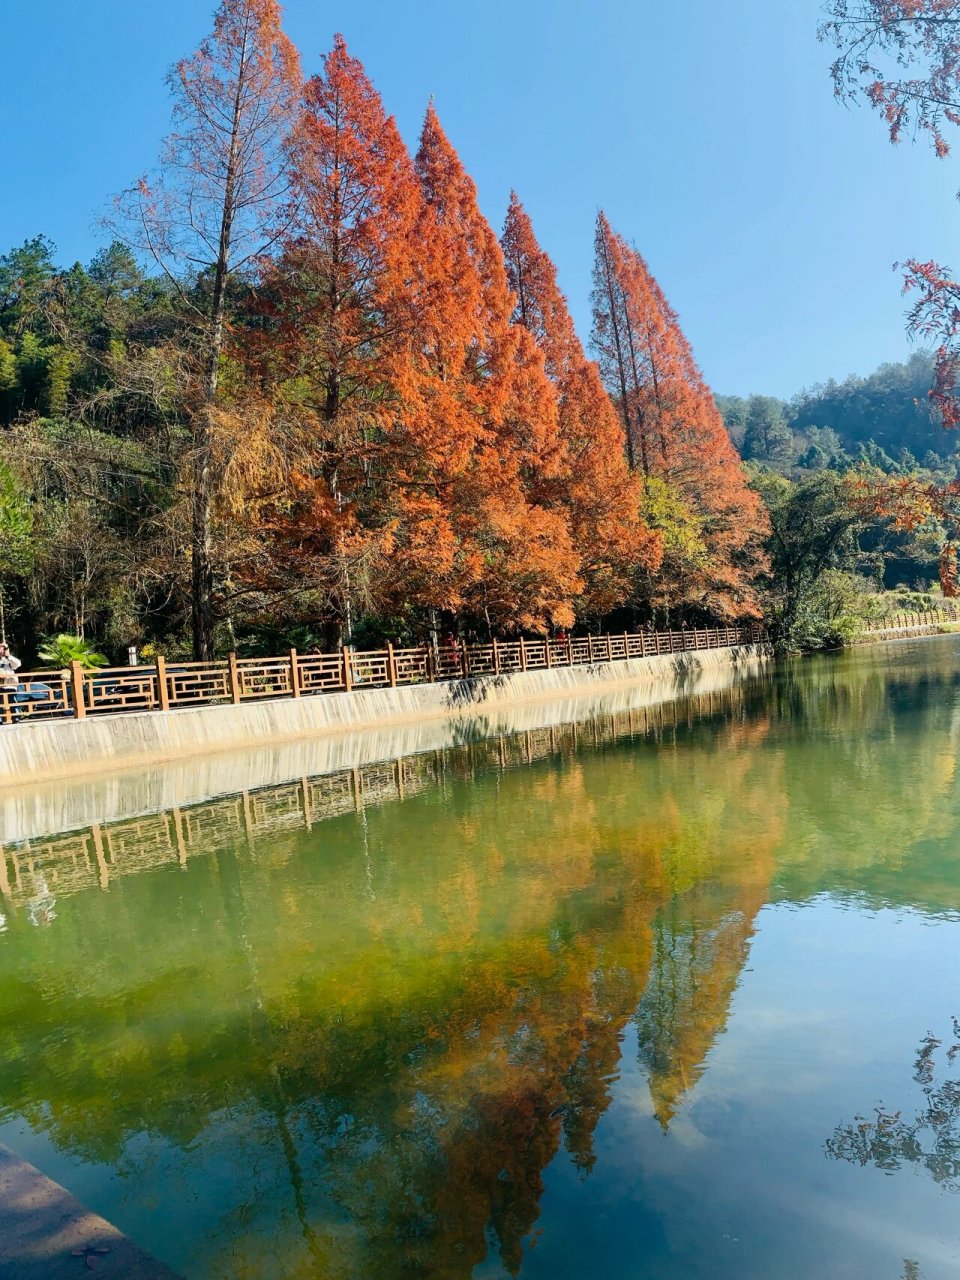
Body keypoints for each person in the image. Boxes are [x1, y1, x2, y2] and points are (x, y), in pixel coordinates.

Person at [0, 643, 55, 721]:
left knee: (12, 701)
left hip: (10, 685)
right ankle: (1, 719)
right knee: (0, 703)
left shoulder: (8, 660)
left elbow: (18, 664)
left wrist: (8, 655)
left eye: (2, 649)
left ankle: (15, 717)